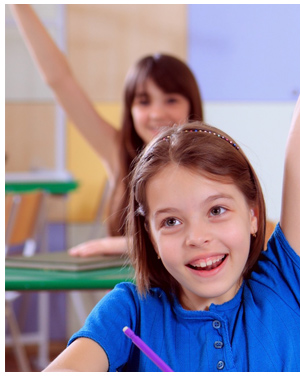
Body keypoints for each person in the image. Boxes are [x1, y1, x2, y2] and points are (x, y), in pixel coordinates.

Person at [42, 5, 300, 371]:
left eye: (216, 210)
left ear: (254, 215)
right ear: (149, 237)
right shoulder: (130, 311)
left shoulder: (284, 287)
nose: (197, 237)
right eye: (171, 222)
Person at [12, 4, 203, 256]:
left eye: (171, 100)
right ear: (130, 109)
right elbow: (60, 81)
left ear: (191, 103)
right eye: (144, 101)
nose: (157, 113)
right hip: (125, 293)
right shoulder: (119, 154)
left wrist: (113, 245)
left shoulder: (207, 165)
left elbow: (199, 240)